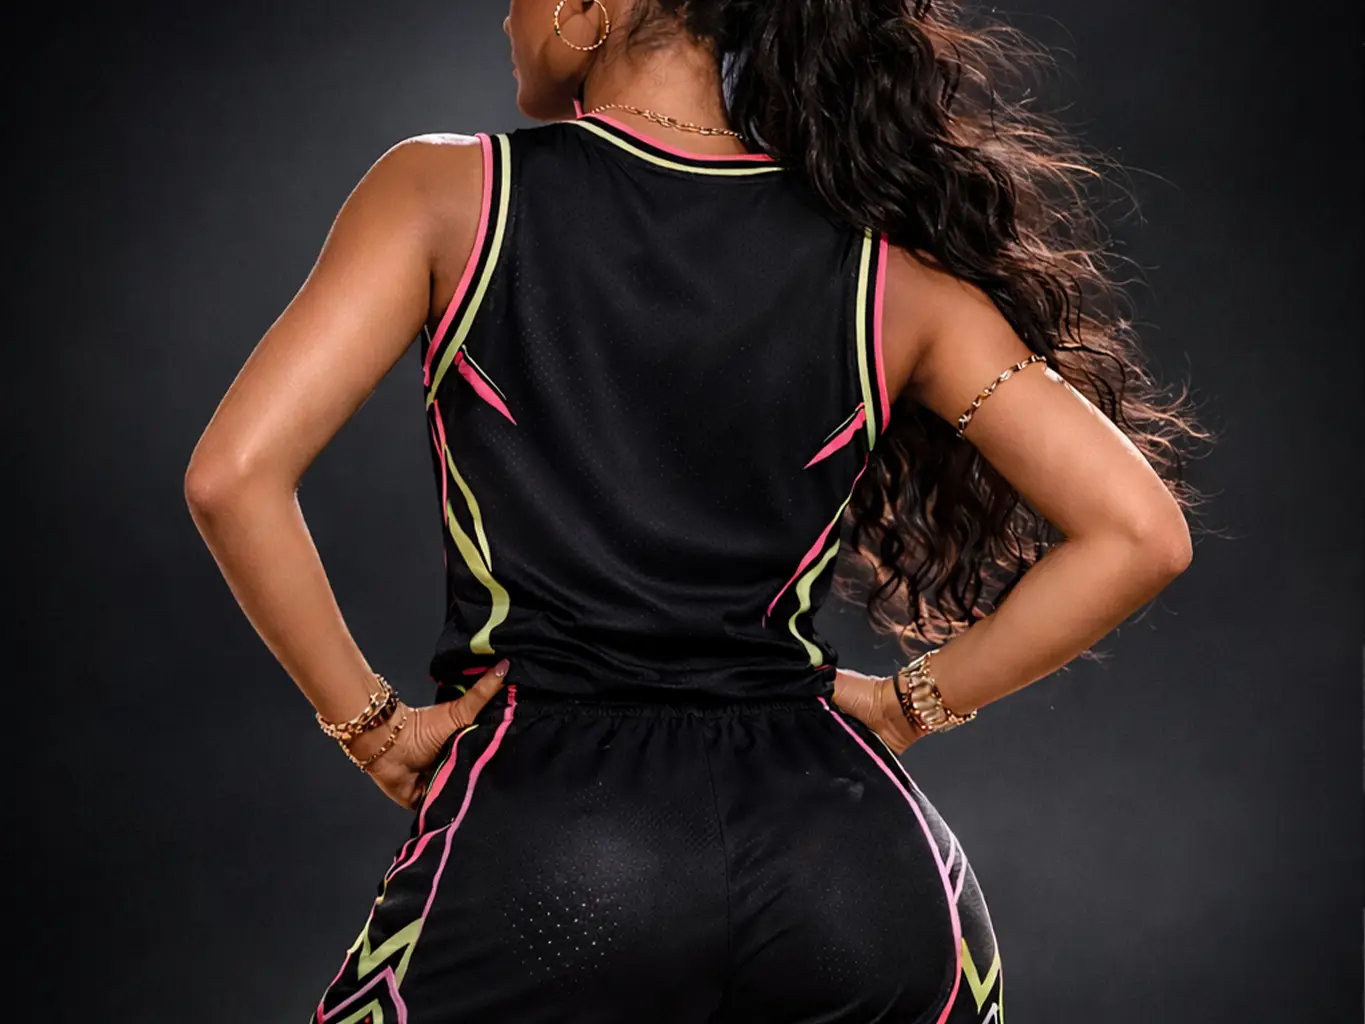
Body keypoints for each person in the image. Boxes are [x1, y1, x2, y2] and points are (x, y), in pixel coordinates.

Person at [185, 0, 1204, 1020]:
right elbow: (1139, 534)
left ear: (593, 5)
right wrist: (908, 705)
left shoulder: (446, 193)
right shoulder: (886, 270)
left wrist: (369, 726)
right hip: (856, 872)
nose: (505, 16)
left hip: (555, 851)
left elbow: (233, 476)